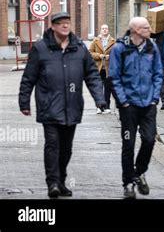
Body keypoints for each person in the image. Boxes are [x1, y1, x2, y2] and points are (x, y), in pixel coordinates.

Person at [19, 12, 106, 198]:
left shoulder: (79, 48)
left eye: (68, 23)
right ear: (53, 27)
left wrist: (100, 98)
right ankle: (52, 183)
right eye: (61, 23)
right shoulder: (41, 49)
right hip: (48, 106)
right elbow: (28, 77)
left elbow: (91, 75)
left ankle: (61, 180)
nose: (65, 26)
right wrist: (24, 102)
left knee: (66, 148)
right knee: (52, 145)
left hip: (72, 107)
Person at [108, 17, 163, 199]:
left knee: (149, 140)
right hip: (128, 107)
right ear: (135, 30)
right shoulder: (119, 49)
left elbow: (158, 74)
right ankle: (128, 184)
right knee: (128, 145)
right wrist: (123, 101)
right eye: (146, 27)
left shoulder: (151, 47)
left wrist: (155, 98)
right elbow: (114, 77)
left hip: (148, 105)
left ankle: (139, 172)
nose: (149, 29)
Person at [89, 24, 116, 114]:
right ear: (100, 30)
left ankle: (107, 107)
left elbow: (117, 54)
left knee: (108, 88)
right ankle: (99, 107)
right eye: (103, 28)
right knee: (98, 88)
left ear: (108, 30)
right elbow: (90, 52)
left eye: (106, 29)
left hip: (109, 69)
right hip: (98, 68)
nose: (105, 30)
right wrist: (99, 56)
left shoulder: (113, 41)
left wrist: (110, 56)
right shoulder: (95, 40)